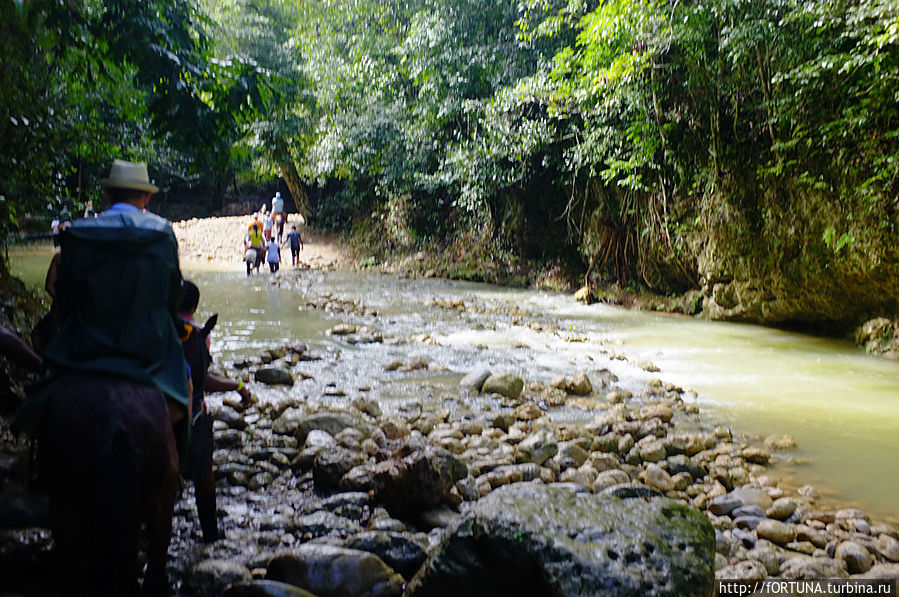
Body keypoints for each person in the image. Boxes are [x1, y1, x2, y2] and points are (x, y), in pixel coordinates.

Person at [15, 158, 188, 595]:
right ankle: (173, 477)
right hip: (146, 354)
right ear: (146, 197)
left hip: (86, 352)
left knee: (48, 386)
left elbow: (66, 299)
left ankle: (39, 470)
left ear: (108, 195)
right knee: (183, 393)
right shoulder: (163, 233)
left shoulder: (76, 233)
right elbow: (171, 296)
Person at [176, 281, 250, 543]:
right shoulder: (197, 334)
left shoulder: (154, 327)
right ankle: (210, 531)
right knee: (203, 469)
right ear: (195, 306)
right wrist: (237, 386)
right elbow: (201, 378)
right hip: (192, 410)